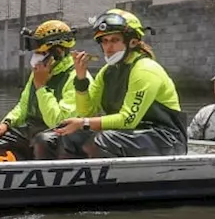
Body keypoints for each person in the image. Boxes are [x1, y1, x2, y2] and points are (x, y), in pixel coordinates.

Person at [41, 8, 188, 159]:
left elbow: (127, 120)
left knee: (103, 140)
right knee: (61, 138)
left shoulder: (145, 69)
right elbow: (87, 112)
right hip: (127, 135)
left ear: (132, 42)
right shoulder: (107, 72)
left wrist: (83, 123)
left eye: (114, 40)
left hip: (166, 138)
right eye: (104, 41)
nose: (108, 48)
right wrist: (80, 78)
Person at [0, 19, 78, 160]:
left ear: (58, 52)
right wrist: (6, 123)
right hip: (32, 130)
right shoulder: (37, 73)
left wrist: (41, 87)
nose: (35, 58)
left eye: (41, 53)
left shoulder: (75, 78)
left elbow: (58, 122)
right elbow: (24, 106)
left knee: (42, 141)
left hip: (57, 136)